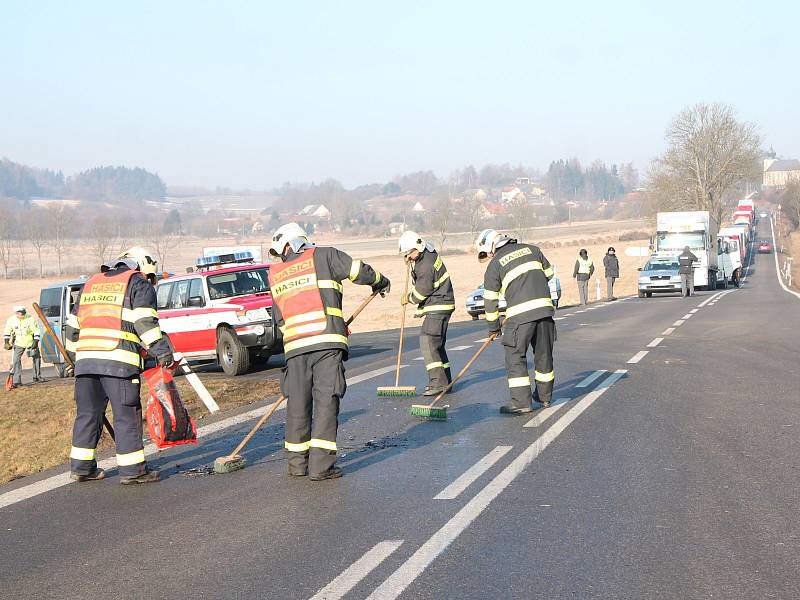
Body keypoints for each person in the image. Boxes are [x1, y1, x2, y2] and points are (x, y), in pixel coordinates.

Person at [268, 222, 390, 481]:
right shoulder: (325, 255)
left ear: (285, 247)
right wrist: (380, 281)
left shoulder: (275, 273)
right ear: (301, 240)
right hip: (326, 344)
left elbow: (278, 317)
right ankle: (321, 467)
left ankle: (297, 465)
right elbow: (358, 271)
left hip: (294, 348)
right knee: (326, 401)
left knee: (297, 405)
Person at [64, 247, 173, 485]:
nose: (150, 281)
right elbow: (145, 322)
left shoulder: (91, 283)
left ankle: (82, 468)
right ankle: (133, 470)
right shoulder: (137, 283)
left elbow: (73, 327)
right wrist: (162, 351)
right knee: (126, 416)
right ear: (143, 266)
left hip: (86, 363)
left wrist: (74, 360)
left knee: (88, 414)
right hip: (119, 363)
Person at [476, 228, 556, 414]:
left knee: (515, 356)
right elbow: (549, 274)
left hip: (520, 316)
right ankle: (544, 398)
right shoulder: (533, 250)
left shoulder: (494, 265)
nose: (488, 257)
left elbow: (490, 300)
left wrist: (494, 327)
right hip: (545, 312)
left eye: (487, 254)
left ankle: (522, 403)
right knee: (543, 355)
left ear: (491, 247)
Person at [398, 231, 455, 396]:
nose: (409, 257)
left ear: (418, 247)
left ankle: (437, 383)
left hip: (438, 306)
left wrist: (407, 298)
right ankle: (446, 382)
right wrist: (411, 262)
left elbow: (421, 293)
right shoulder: (428, 253)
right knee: (437, 346)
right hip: (442, 303)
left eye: (410, 253)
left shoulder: (425, 265)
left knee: (428, 342)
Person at [4, 306, 41, 387]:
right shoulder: (11, 320)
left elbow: (36, 330)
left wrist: (36, 341)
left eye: (24, 313)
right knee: (16, 360)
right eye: (21, 314)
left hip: (31, 342)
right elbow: (7, 330)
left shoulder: (30, 319)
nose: (23, 315)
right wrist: (6, 342)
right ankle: (17, 381)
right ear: (16, 313)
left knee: (36, 357)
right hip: (19, 343)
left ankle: (37, 376)